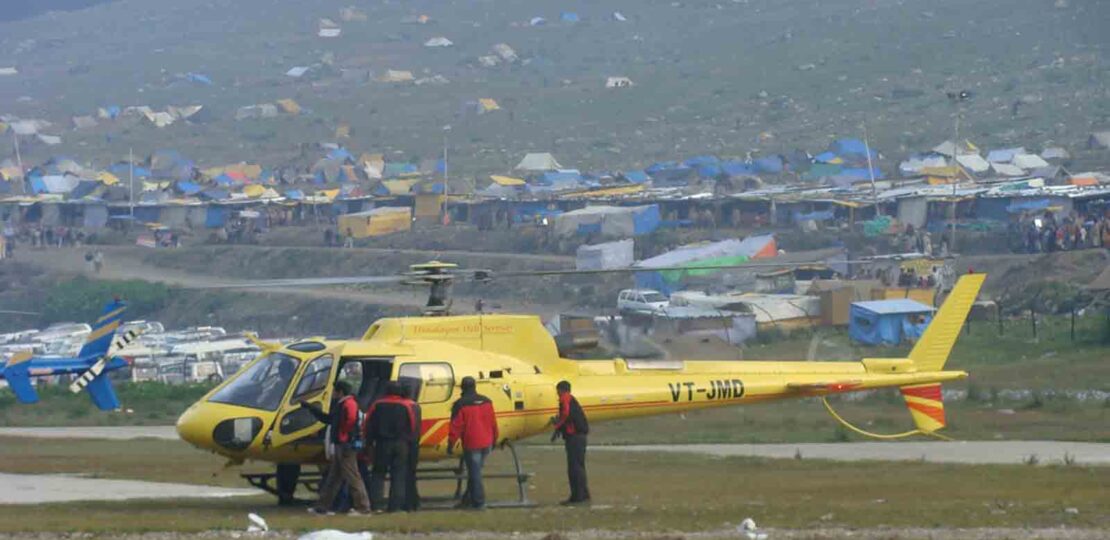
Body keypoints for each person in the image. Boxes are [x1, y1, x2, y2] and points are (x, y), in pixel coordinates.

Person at [305, 381, 372, 515]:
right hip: (342, 445)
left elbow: (349, 421)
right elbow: (329, 419)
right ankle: (322, 506)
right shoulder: (343, 404)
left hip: (345, 446)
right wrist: (312, 408)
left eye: (335, 390)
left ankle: (363, 507)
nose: (333, 393)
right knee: (334, 478)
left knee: (352, 477)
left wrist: (343, 436)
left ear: (340, 391)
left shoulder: (348, 404)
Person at [364, 382, 418, 513]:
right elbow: (413, 426)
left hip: (382, 443)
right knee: (399, 475)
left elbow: (368, 425)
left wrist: (369, 443)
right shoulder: (407, 405)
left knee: (378, 474)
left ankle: (376, 504)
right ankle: (395, 506)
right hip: (401, 444)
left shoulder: (377, 405)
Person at [447, 376, 498, 510]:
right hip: (487, 442)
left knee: (475, 474)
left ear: (462, 388)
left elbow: (456, 427)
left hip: (472, 443)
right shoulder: (487, 401)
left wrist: (450, 445)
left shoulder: (460, 404)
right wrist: (495, 439)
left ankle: (479, 503)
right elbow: (493, 422)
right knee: (475, 473)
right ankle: (467, 500)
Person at [551, 380, 590, 506]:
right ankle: (583, 494)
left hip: (574, 437)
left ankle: (577, 497)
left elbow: (565, 414)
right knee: (579, 466)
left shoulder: (565, 398)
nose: (557, 394)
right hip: (580, 436)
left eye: (558, 391)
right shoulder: (572, 399)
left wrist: (557, 426)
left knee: (574, 468)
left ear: (561, 390)